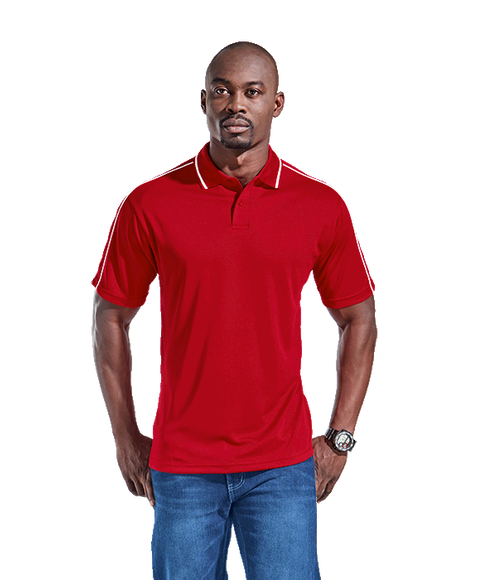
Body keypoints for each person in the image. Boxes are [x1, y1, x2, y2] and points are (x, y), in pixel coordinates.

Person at [90, 38, 378, 580]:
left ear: (278, 102)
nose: (236, 105)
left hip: (282, 465)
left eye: (252, 92)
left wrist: (341, 437)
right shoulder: (148, 202)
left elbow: (359, 317)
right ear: (202, 101)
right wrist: (125, 436)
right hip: (182, 465)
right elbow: (110, 315)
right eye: (221, 91)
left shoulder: (321, 203)